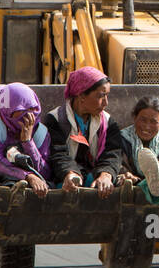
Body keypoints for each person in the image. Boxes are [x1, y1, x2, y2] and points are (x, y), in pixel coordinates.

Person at [43, 65, 126, 196]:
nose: (106, 103)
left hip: (94, 176)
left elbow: (113, 153)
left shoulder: (108, 122)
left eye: (107, 96)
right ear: (81, 96)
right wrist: (70, 173)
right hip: (63, 179)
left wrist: (106, 175)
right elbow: (57, 154)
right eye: (101, 96)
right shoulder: (55, 120)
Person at [0, 83, 50, 196]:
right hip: (9, 182)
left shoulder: (41, 132)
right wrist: (27, 176)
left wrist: (27, 142)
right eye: (22, 110)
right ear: (7, 111)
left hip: (40, 185)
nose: (29, 116)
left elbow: (45, 171)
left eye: (32, 109)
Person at [119, 96, 159, 203]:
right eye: (143, 120)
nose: (147, 127)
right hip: (130, 185)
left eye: (153, 122)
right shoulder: (122, 138)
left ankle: (157, 183)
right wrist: (125, 174)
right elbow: (117, 161)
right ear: (135, 118)